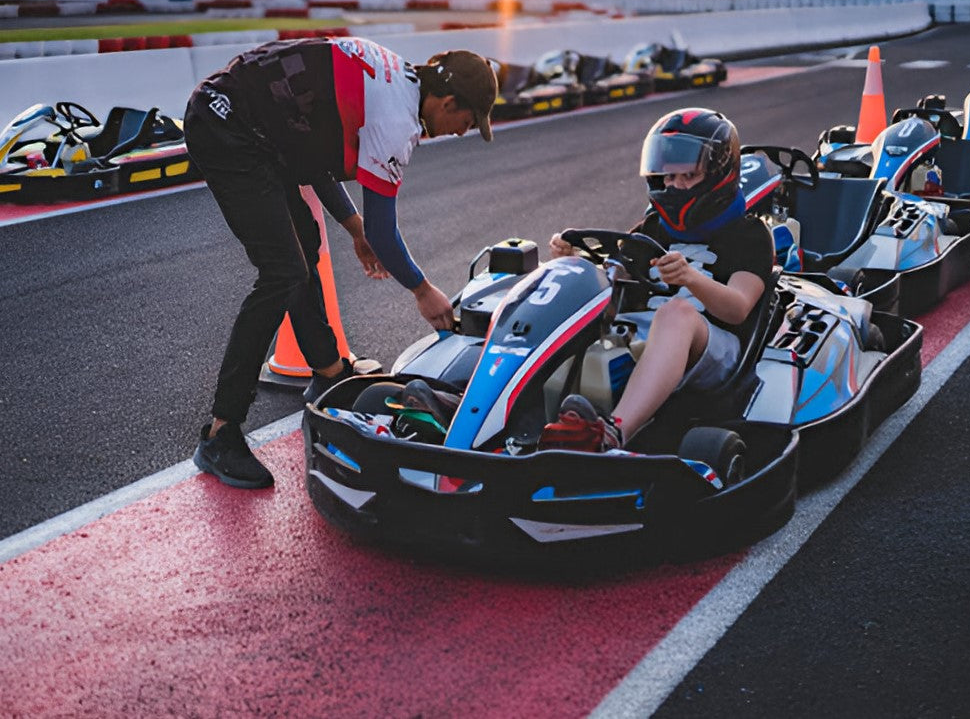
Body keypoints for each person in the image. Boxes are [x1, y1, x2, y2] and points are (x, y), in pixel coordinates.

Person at [184, 37, 497, 488]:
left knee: (304, 249)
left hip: (252, 128)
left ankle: (329, 374)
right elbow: (385, 234)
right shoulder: (397, 119)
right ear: (447, 101)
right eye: (467, 120)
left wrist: (354, 228)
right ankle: (220, 434)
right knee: (281, 271)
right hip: (229, 130)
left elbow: (311, 151)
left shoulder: (395, 78)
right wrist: (423, 291)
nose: (463, 131)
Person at [538, 108, 774, 453]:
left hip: (716, 349)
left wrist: (692, 279)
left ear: (718, 174)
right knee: (564, 293)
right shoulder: (652, 228)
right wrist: (573, 263)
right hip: (640, 332)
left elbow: (739, 309)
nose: (674, 186)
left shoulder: (749, 234)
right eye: (668, 177)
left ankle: (614, 433)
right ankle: (494, 413)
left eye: (687, 176)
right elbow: (614, 281)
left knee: (676, 313)